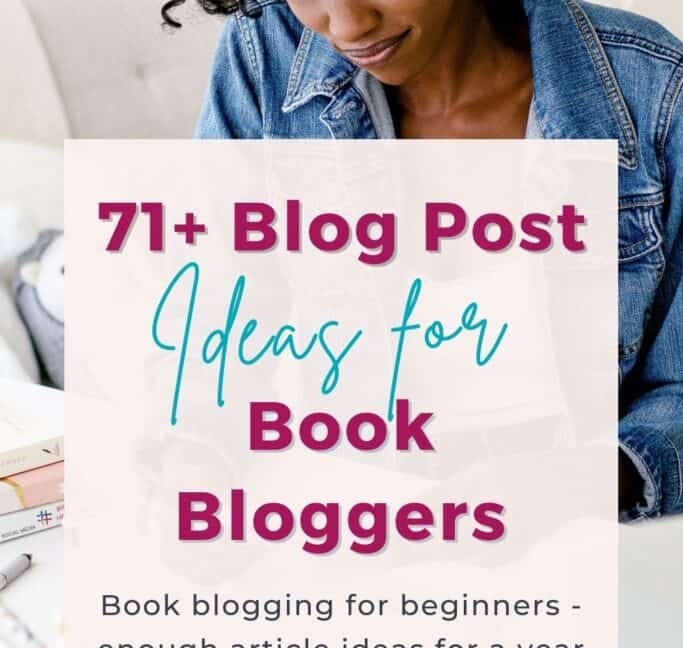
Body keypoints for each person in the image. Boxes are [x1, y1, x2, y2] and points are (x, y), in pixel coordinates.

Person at [163, 0, 683, 520]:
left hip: (597, 538)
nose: (347, 25)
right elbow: (216, 334)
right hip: (355, 532)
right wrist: (196, 463)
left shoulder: (655, 89)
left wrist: (580, 480)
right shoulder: (264, 52)